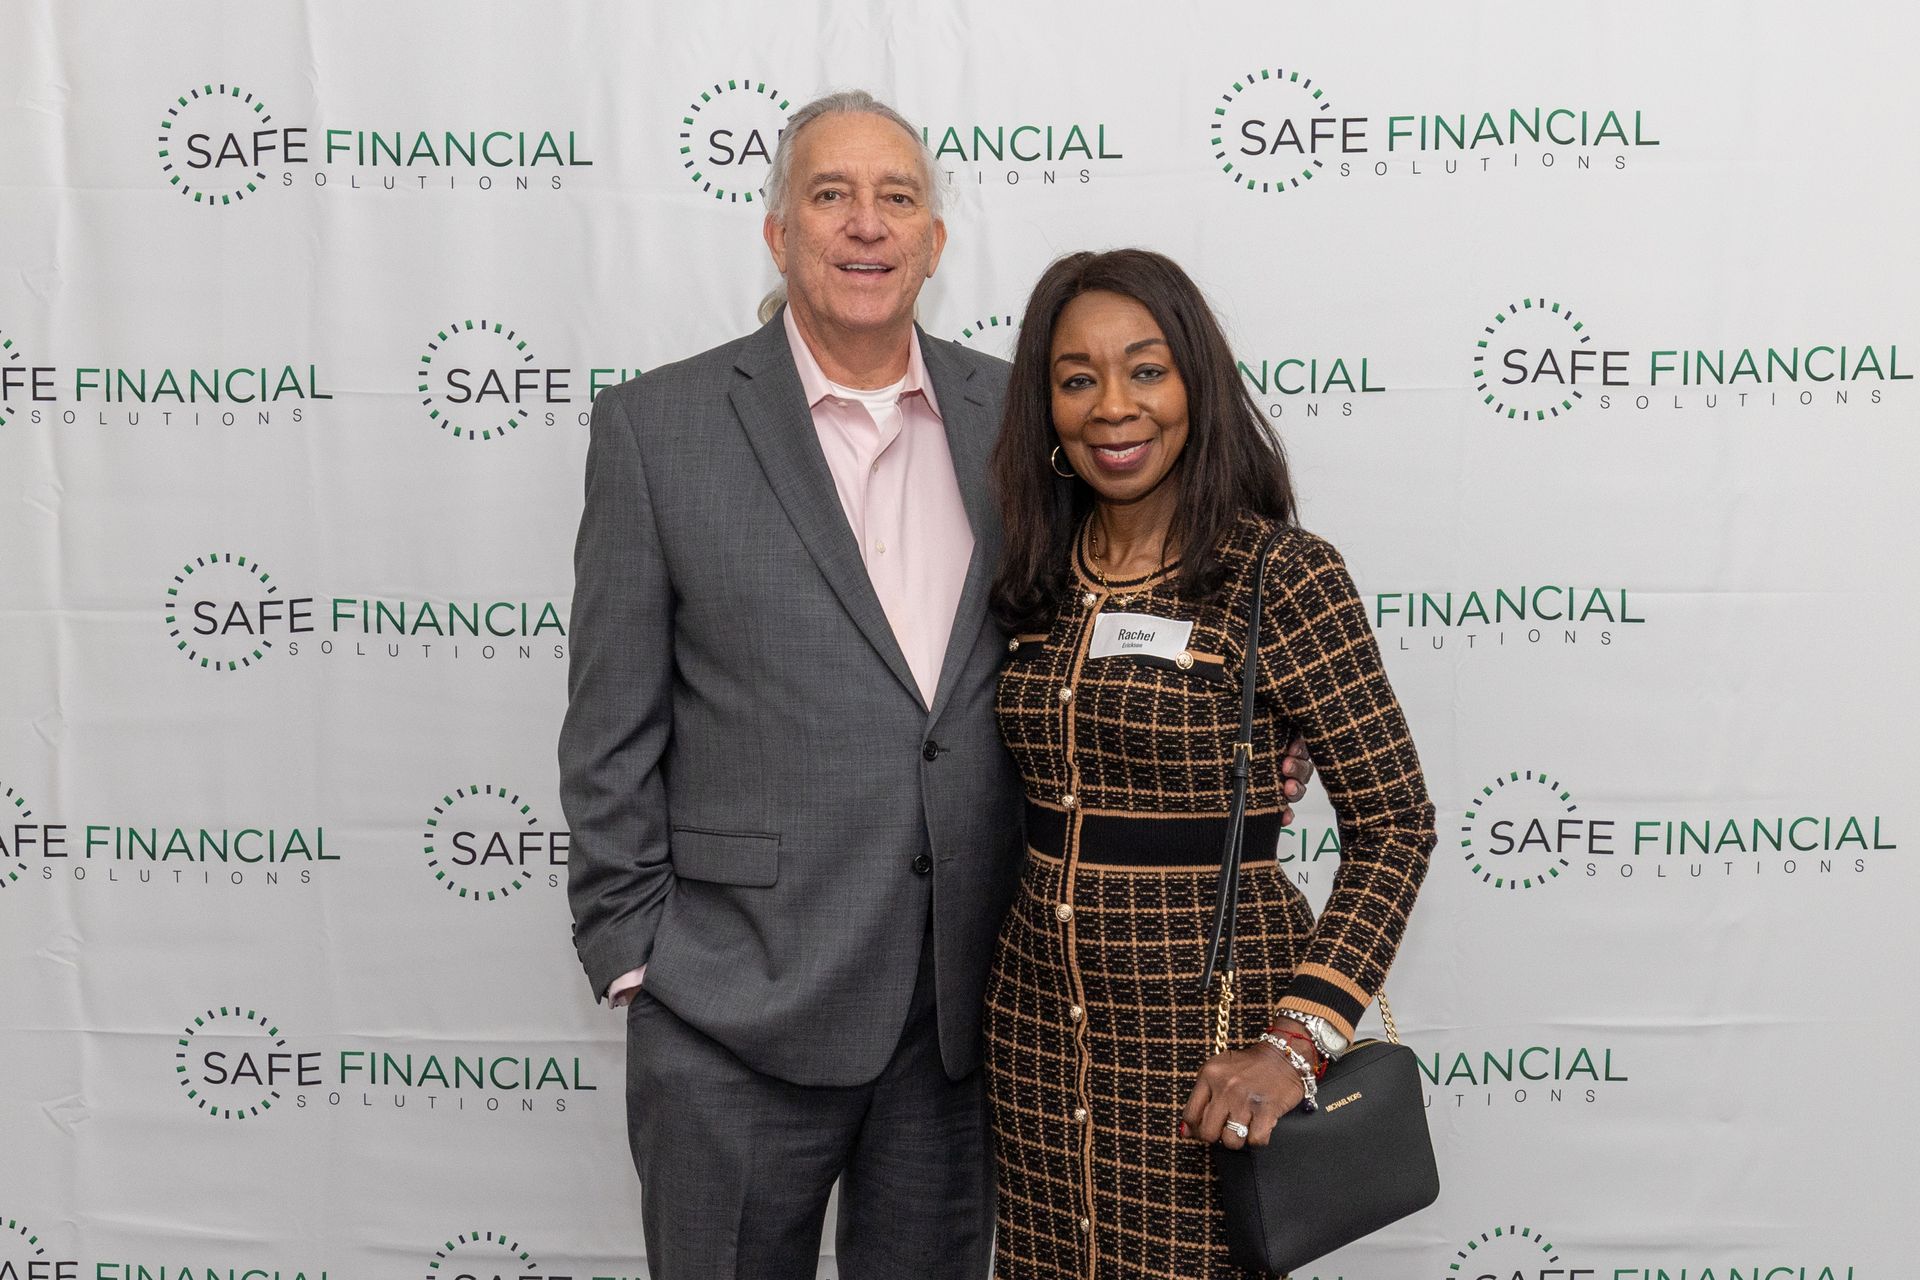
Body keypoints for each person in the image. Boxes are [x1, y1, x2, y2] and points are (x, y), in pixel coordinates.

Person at [557, 90, 1019, 1278]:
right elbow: (609, 724)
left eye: (897, 198)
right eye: (831, 194)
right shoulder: (658, 427)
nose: (866, 223)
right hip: (732, 1006)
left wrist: (1239, 732)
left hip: (958, 1017)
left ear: (934, 241)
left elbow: (1091, 629)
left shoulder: (1019, 419)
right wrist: (636, 949)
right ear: (777, 231)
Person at [983, 249, 1437, 1279]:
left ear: (1198, 382)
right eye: (1077, 377)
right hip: (1036, 1036)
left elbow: (1396, 823)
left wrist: (1295, 1042)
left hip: (1212, 1043)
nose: (1113, 406)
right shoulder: (1033, 571)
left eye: (1147, 370)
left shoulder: (1281, 573)